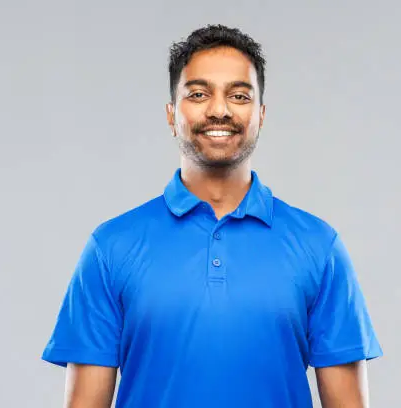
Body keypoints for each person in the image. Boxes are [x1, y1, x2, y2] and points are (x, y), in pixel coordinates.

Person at [41, 24, 383, 408]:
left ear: (261, 114)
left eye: (238, 95)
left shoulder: (319, 246)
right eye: (199, 94)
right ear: (172, 114)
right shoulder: (110, 247)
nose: (219, 110)